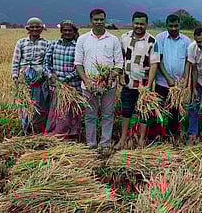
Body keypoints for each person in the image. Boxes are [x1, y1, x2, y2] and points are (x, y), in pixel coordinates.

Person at [74, 9, 124, 150]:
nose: (99, 22)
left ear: (105, 20)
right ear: (91, 21)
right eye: (96, 19)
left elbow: (119, 63)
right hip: (89, 86)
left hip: (109, 85)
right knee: (90, 115)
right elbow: (78, 63)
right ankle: (91, 144)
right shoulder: (82, 39)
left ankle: (105, 143)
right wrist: (87, 81)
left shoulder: (113, 40)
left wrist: (110, 78)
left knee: (108, 114)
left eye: (102, 19)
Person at [115, 11, 160, 149]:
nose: (139, 26)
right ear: (132, 23)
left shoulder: (152, 41)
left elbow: (154, 64)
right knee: (126, 112)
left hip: (144, 85)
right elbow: (120, 59)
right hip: (128, 83)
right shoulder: (124, 37)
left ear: (146, 24)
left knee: (144, 113)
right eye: (136, 23)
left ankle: (141, 140)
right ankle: (123, 139)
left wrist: (148, 85)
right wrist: (120, 75)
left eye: (142, 23)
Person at [11, 17, 50, 134]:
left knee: (38, 104)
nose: (35, 29)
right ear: (27, 28)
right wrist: (15, 75)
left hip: (40, 78)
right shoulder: (21, 42)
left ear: (42, 28)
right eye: (32, 27)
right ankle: (25, 130)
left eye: (37, 27)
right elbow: (15, 60)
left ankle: (37, 130)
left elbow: (47, 62)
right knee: (25, 104)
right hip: (24, 78)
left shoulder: (46, 43)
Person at [43, 20, 82, 139]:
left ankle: (72, 136)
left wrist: (68, 78)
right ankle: (57, 135)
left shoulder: (77, 46)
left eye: (70, 30)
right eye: (65, 30)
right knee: (58, 112)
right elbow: (46, 63)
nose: (67, 32)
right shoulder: (54, 45)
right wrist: (51, 76)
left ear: (74, 32)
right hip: (56, 87)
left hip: (73, 87)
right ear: (61, 32)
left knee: (72, 113)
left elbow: (81, 67)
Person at [154, 14, 191, 139]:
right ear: (167, 25)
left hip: (177, 85)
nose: (174, 28)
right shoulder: (160, 38)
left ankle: (171, 135)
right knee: (158, 110)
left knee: (174, 111)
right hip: (162, 82)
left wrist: (185, 79)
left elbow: (187, 61)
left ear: (180, 25)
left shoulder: (186, 40)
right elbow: (158, 60)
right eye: (171, 26)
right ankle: (157, 135)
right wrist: (167, 78)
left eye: (176, 26)